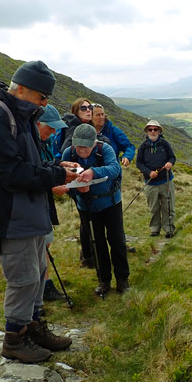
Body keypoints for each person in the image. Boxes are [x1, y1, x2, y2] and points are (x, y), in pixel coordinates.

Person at [0, 61, 80, 364]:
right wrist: (58, 177)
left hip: (33, 213)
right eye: (42, 97)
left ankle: (34, 327)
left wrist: (58, 168)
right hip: (12, 215)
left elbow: (32, 163)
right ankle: (14, 340)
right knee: (22, 279)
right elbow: (11, 173)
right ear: (21, 88)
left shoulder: (24, 115)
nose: (45, 103)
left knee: (37, 275)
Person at [62, 124, 131, 295]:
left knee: (117, 241)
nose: (81, 150)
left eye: (85, 146)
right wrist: (76, 189)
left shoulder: (104, 149)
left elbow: (115, 169)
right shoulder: (68, 154)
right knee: (96, 242)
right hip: (86, 207)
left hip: (110, 203)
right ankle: (104, 280)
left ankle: (122, 279)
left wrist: (93, 172)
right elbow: (62, 178)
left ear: (94, 143)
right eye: (78, 146)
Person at [91, 103, 136, 253]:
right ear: (90, 116)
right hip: (91, 180)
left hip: (112, 180)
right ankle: (90, 252)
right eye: (98, 114)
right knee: (91, 219)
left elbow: (129, 146)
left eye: (102, 114)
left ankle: (119, 244)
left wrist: (127, 157)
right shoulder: (85, 131)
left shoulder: (112, 130)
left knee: (114, 215)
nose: (101, 117)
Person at [36, 104, 69, 301]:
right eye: (50, 127)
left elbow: (44, 167)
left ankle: (45, 286)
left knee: (45, 245)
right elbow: (29, 176)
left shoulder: (44, 142)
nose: (54, 131)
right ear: (37, 123)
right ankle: (40, 290)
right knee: (38, 248)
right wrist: (52, 187)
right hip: (34, 208)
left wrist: (60, 165)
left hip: (43, 205)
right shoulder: (29, 145)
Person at [136, 120, 176, 238]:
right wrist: (149, 172)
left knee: (168, 206)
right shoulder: (143, 147)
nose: (153, 132)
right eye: (150, 129)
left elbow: (172, 157)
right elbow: (139, 163)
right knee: (153, 208)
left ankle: (169, 229)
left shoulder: (164, 144)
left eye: (155, 129)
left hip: (166, 181)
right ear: (147, 131)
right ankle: (155, 229)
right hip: (150, 183)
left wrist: (169, 163)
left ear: (159, 131)